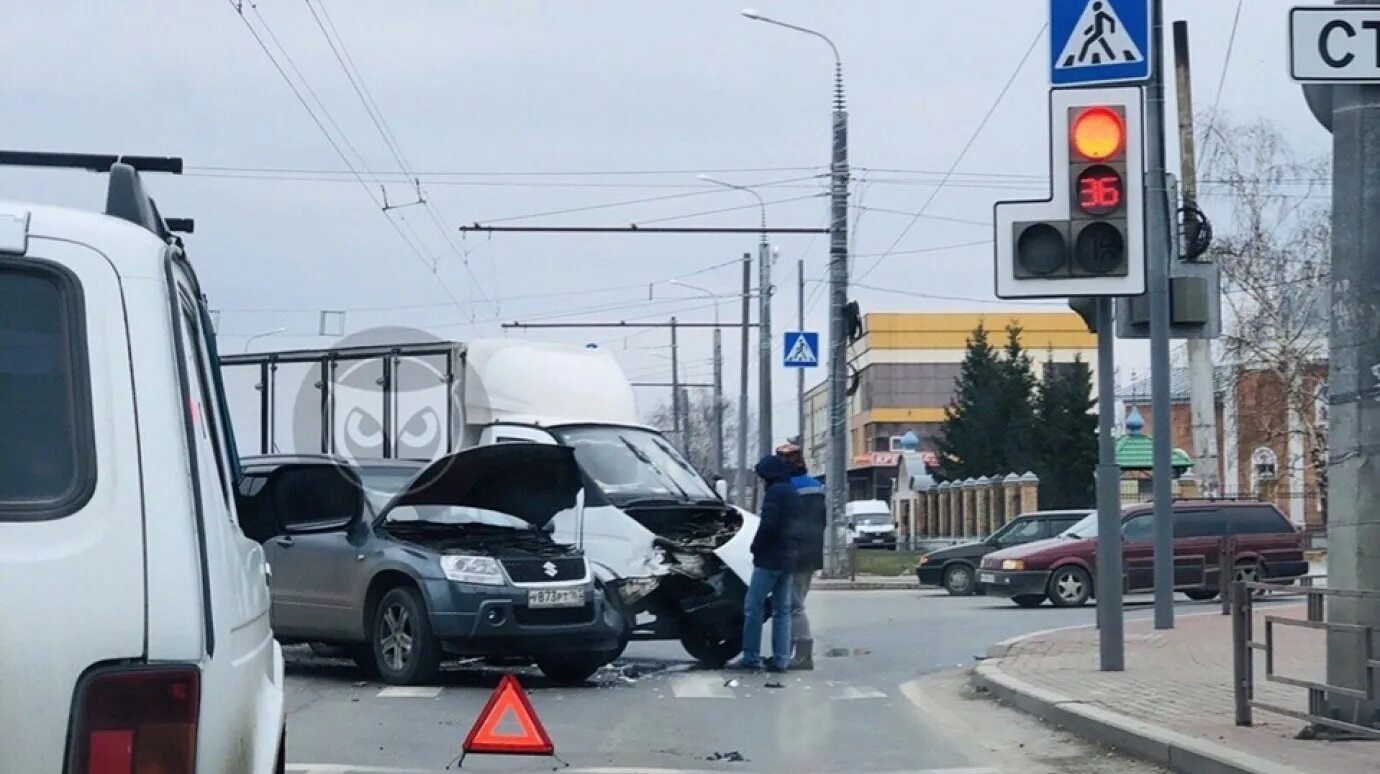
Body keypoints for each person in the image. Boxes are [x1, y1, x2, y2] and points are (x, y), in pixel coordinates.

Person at [730, 453, 800, 672]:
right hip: (789, 558)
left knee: (753, 607)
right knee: (782, 610)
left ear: (769, 476)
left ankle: (751, 657)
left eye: (762, 478)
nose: (761, 482)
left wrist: (755, 547)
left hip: (770, 558)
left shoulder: (775, 493)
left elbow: (768, 526)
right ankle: (781, 659)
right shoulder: (792, 491)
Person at [777, 443, 825, 670]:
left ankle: (802, 656)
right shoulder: (816, 485)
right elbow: (821, 522)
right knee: (795, 602)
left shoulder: (785, 487)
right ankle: (786, 653)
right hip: (811, 552)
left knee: (792, 605)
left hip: (793, 552)